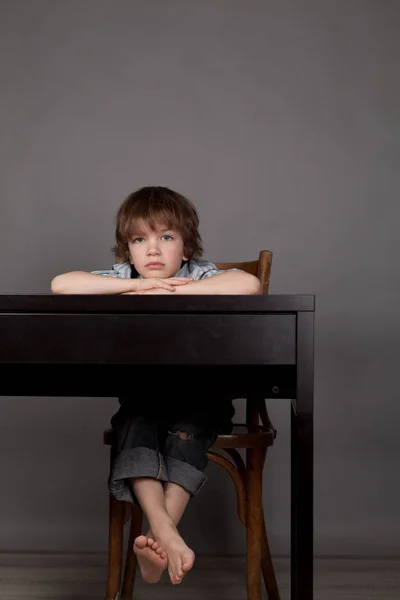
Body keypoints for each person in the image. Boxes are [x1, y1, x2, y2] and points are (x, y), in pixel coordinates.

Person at [51, 185, 261, 586]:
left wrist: (187, 289)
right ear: (126, 252)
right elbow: (62, 283)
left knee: (187, 427)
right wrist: (133, 287)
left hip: (204, 399)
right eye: (139, 240)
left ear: (184, 250)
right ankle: (165, 535)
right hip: (145, 398)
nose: (152, 250)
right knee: (134, 421)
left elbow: (247, 285)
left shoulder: (197, 274)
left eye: (165, 238)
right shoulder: (125, 278)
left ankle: (157, 534)